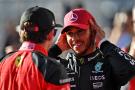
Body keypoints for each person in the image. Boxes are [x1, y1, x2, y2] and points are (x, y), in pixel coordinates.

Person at [49, 8, 135, 90]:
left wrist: (103, 43)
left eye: (80, 31)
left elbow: (130, 69)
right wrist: (56, 48)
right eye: (70, 33)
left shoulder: (108, 63)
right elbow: (37, 68)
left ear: (93, 32)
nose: (75, 38)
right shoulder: (63, 66)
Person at [0, 6, 70, 90]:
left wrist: (56, 50)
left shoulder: (3, 62)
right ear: (50, 34)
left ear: (20, 33)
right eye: (54, 32)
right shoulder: (53, 69)